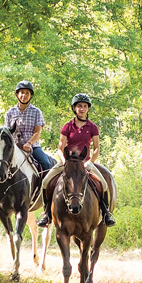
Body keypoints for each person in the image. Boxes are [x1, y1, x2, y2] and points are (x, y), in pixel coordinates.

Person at [37, 93, 116, 227]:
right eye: (79, 106)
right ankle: (46, 214)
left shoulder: (93, 127)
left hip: (85, 163)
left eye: (85, 106)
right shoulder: (67, 127)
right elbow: (60, 148)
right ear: (74, 108)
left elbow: (96, 148)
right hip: (67, 163)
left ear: (88, 109)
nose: (82, 109)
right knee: (45, 182)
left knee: (103, 183)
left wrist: (89, 162)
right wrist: (63, 160)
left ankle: (106, 213)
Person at [0, 80, 52, 209]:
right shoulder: (10, 112)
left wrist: (29, 143)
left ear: (31, 95)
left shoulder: (36, 112)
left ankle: (47, 199)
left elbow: (38, 131)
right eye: (22, 93)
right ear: (17, 94)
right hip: (14, 148)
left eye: (27, 93)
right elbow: (7, 132)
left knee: (46, 164)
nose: (24, 95)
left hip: (32, 147)